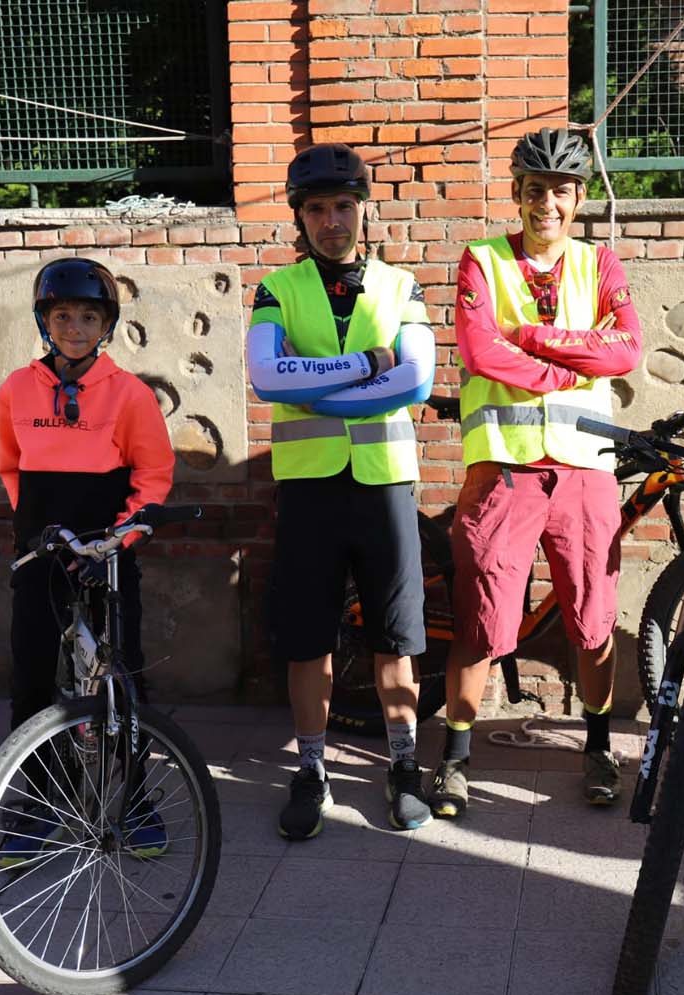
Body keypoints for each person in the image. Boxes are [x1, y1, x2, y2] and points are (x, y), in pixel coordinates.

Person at [428, 127, 643, 817]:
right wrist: (566, 365)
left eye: (559, 190)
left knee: (593, 616)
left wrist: (532, 336)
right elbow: (478, 352)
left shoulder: (600, 262)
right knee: (482, 615)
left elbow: (627, 349)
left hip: (584, 470)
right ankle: (456, 755)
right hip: (506, 470)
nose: (545, 202)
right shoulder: (481, 260)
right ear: (516, 194)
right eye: (533, 189)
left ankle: (600, 747)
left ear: (577, 199)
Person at [247, 142, 437, 839]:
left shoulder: (402, 283)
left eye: (344, 206)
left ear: (364, 208)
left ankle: (404, 767)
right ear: (300, 218)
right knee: (308, 639)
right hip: (308, 489)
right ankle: (312, 770)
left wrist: (318, 387)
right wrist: (366, 367)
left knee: (397, 636)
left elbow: (415, 381)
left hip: (384, 485)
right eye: (318, 209)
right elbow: (267, 379)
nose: (333, 220)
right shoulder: (277, 288)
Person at [0, 256, 176, 863]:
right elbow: (12, 466)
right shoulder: (17, 389)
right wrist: (33, 530)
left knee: (124, 678)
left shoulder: (129, 395)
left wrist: (121, 539)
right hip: (42, 552)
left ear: (107, 325)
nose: (74, 327)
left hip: (107, 552)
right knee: (30, 679)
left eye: (88, 316)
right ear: (45, 320)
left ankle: (135, 799)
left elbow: (153, 474)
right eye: (62, 315)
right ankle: (45, 799)